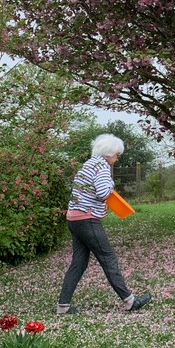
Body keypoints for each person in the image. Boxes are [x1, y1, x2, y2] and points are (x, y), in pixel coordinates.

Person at [57, 133, 151, 316]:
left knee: (79, 263)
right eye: (117, 154)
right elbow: (102, 192)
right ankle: (129, 300)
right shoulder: (102, 166)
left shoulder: (88, 164)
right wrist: (111, 184)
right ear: (108, 153)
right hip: (87, 219)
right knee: (108, 258)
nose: (117, 158)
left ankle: (63, 306)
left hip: (74, 219)